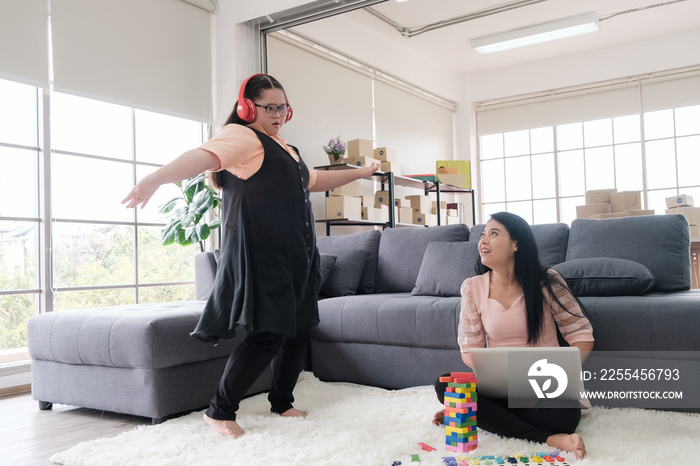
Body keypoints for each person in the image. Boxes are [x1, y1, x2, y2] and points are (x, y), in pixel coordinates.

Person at [122, 73, 379, 438]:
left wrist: (360, 173)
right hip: (264, 256)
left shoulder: (285, 148)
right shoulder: (243, 137)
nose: (278, 114)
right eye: (269, 107)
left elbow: (316, 181)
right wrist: (155, 179)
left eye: (283, 108)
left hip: (300, 256)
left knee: (300, 330)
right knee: (268, 335)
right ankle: (219, 411)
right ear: (247, 108)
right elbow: (202, 156)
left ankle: (282, 402)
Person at [433, 212, 594, 459]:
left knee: (564, 416)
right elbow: (469, 348)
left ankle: (477, 414)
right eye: (482, 234)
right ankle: (550, 439)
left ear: (516, 243)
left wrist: (561, 373)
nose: (483, 241)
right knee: (447, 385)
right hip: (500, 387)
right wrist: (494, 374)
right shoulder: (472, 287)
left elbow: (581, 335)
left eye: (494, 234)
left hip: (544, 387)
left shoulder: (547, 281)